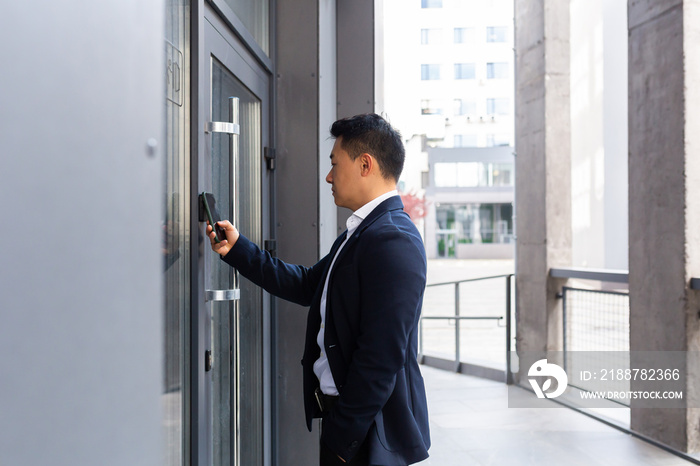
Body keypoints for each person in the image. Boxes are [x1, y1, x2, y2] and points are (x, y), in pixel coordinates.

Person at [207, 113, 430, 465]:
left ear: (365, 164)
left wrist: (344, 439)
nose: (329, 176)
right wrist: (238, 250)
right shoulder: (362, 233)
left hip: (366, 436)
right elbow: (310, 284)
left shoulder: (393, 240)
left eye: (334, 164)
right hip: (351, 428)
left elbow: (381, 357)